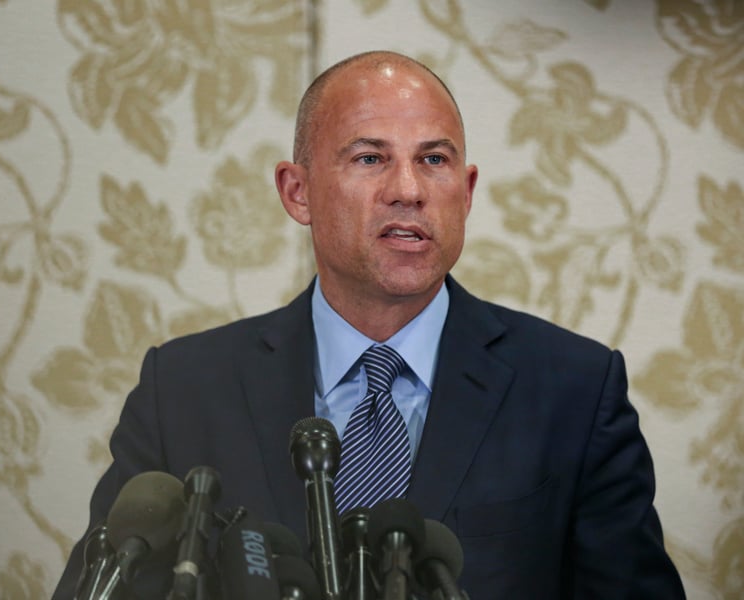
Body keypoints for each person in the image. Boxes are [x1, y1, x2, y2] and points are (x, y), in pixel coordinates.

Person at [53, 50, 685, 599]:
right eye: (369, 158)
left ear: (466, 193)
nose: (408, 189)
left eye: (433, 159)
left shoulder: (575, 391)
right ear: (297, 192)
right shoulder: (182, 391)